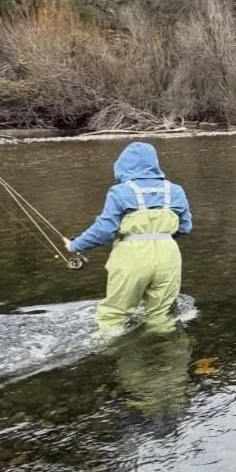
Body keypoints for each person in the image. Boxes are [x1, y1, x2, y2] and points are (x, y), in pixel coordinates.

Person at [65, 142, 193, 331]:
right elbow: (185, 227)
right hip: (169, 256)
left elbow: (103, 231)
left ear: (122, 165)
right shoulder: (175, 190)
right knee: (161, 315)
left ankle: (115, 354)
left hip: (132, 256)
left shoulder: (119, 191)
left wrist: (75, 245)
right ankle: (168, 356)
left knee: (114, 316)